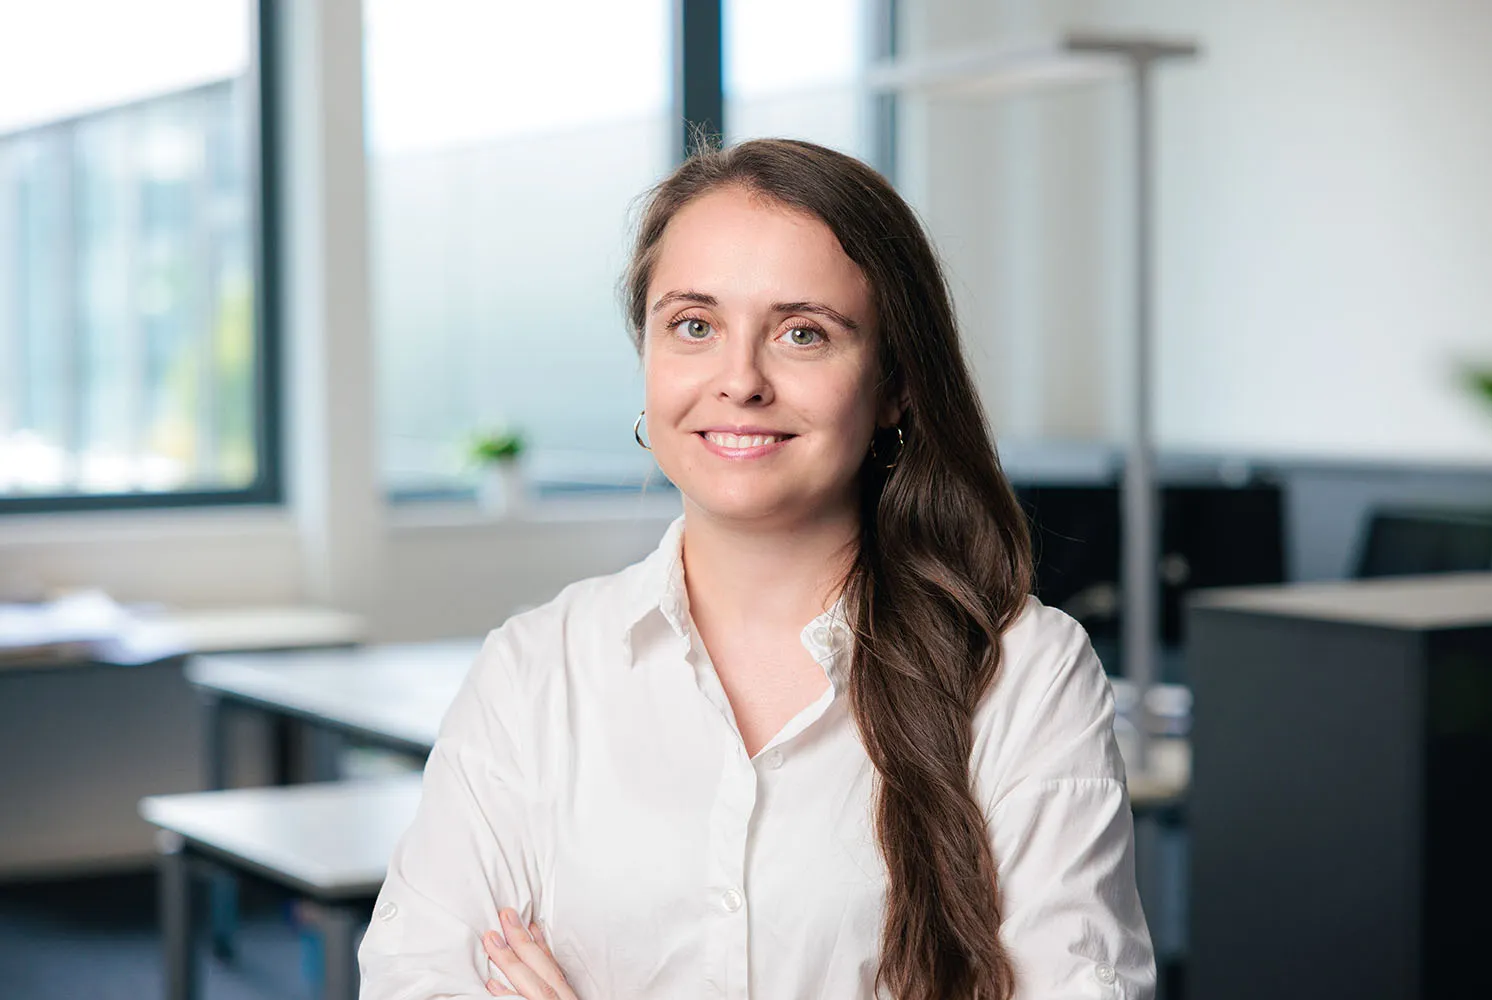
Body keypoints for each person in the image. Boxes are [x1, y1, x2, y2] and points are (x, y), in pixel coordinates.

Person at [357, 138, 1154, 1000]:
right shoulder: (534, 671)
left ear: (894, 385)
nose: (740, 381)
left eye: (803, 333)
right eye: (694, 326)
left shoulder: (1025, 673)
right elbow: (415, 982)